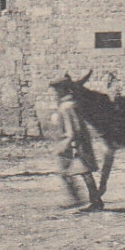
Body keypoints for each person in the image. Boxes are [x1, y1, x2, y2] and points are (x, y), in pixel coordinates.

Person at [51, 83, 103, 211]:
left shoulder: (67, 107)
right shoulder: (70, 105)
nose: (55, 93)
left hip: (73, 144)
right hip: (75, 142)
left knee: (77, 172)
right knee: (82, 172)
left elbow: (72, 129)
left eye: (56, 90)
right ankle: (90, 200)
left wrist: (71, 145)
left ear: (62, 90)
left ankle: (83, 200)